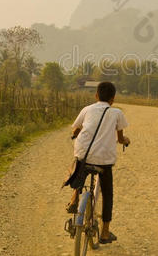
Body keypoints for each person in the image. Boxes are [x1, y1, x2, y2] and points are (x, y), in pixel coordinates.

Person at [68, 81, 130, 245]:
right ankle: (104, 232)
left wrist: (75, 136)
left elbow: (76, 129)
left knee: (78, 165)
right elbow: (120, 138)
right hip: (104, 160)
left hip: (84, 154)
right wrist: (125, 141)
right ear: (113, 99)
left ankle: (74, 199)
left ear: (96, 95)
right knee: (108, 194)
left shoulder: (87, 109)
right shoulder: (117, 113)